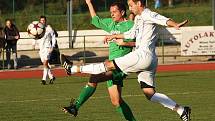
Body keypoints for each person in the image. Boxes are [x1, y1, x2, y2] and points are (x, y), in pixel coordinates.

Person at [61, 0, 191, 121]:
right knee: (149, 93)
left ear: (139, 3)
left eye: (131, 4)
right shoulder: (139, 19)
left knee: (105, 67)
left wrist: (175, 24)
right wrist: (114, 35)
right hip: (148, 60)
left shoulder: (147, 14)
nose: (130, 8)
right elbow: (131, 34)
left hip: (141, 56)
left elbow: (162, 19)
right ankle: (181, 110)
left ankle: (72, 69)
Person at [62, 1, 136, 120]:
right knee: (116, 101)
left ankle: (75, 105)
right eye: (110, 12)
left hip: (121, 66)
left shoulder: (131, 26)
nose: (112, 14)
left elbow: (140, 43)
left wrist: (125, 43)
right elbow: (95, 19)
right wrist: (89, 3)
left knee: (94, 77)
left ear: (122, 12)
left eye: (114, 12)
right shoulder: (111, 24)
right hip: (111, 64)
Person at [38, 16, 56, 85]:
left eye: (43, 20)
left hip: (47, 48)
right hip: (41, 49)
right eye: (41, 20)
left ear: (45, 21)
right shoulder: (39, 29)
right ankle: (51, 77)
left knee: (45, 63)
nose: (42, 21)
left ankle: (44, 79)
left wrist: (52, 46)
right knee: (45, 64)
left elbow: (54, 37)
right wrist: (33, 43)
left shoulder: (49, 28)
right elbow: (36, 37)